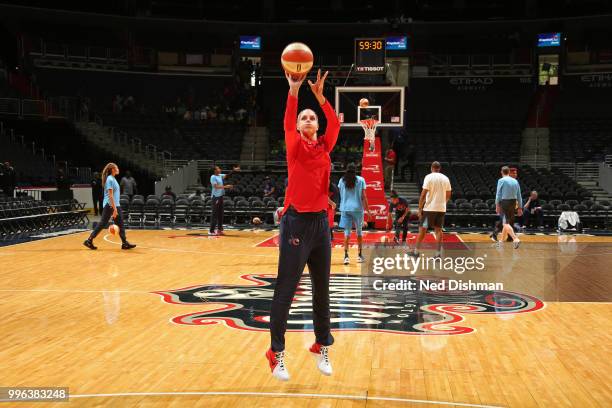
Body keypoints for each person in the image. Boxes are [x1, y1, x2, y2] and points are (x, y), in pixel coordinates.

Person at [266, 69, 339, 382]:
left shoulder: (324, 146)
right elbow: (288, 116)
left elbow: (334, 123)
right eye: (304, 118)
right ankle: (276, 354)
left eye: (313, 117)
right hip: (296, 223)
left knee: (322, 291)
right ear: (297, 127)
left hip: (321, 225)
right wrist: (294, 90)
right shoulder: (294, 145)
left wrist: (322, 99)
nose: (309, 120)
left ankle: (322, 345)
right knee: (286, 291)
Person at [83, 163, 136, 250]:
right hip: (110, 205)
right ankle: (89, 240)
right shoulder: (110, 179)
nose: (118, 169)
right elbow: (110, 196)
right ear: (112, 170)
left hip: (114, 205)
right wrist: (114, 209)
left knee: (119, 224)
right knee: (103, 223)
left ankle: (124, 243)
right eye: (116, 168)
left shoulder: (113, 179)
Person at [411, 161, 452, 258]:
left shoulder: (428, 177)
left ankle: (416, 252)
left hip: (429, 209)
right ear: (439, 168)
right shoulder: (445, 178)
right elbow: (449, 194)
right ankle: (438, 254)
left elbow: (423, 194)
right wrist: (443, 203)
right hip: (441, 209)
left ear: (431, 168)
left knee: (422, 230)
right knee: (438, 231)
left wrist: (420, 209)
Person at [338, 165, 371, 265]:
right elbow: (364, 197)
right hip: (357, 209)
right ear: (355, 171)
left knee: (347, 233)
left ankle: (346, 257)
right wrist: (368, 211)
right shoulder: (361, 180)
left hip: (345, 208)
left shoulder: (341, 180)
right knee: (359, 232)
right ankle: (360, 255)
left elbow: (341, 194)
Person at [495, 166, 523, 248]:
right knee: (506, 222)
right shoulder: (515, 181)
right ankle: (501, 241)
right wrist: (520, 207)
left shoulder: (501, 180)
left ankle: (515, 239)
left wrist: (497, 205)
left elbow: (498, 194)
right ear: (508, 172)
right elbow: (519, 195)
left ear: (502, 172)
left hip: (505, 202)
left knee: (505, 223)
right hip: (513, 203)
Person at [209, 165, 237, 236]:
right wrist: (226, 186)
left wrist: (233, 171)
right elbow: (215, 186)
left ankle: (219, 230)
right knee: (215, 214)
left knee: (221, 214)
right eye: (218, 168)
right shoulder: (213, 177)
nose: (220, 169)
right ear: (215, 170)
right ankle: (211, 231)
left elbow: (227, 176)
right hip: (216, 197)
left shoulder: (219, 175)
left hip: (220, 196)